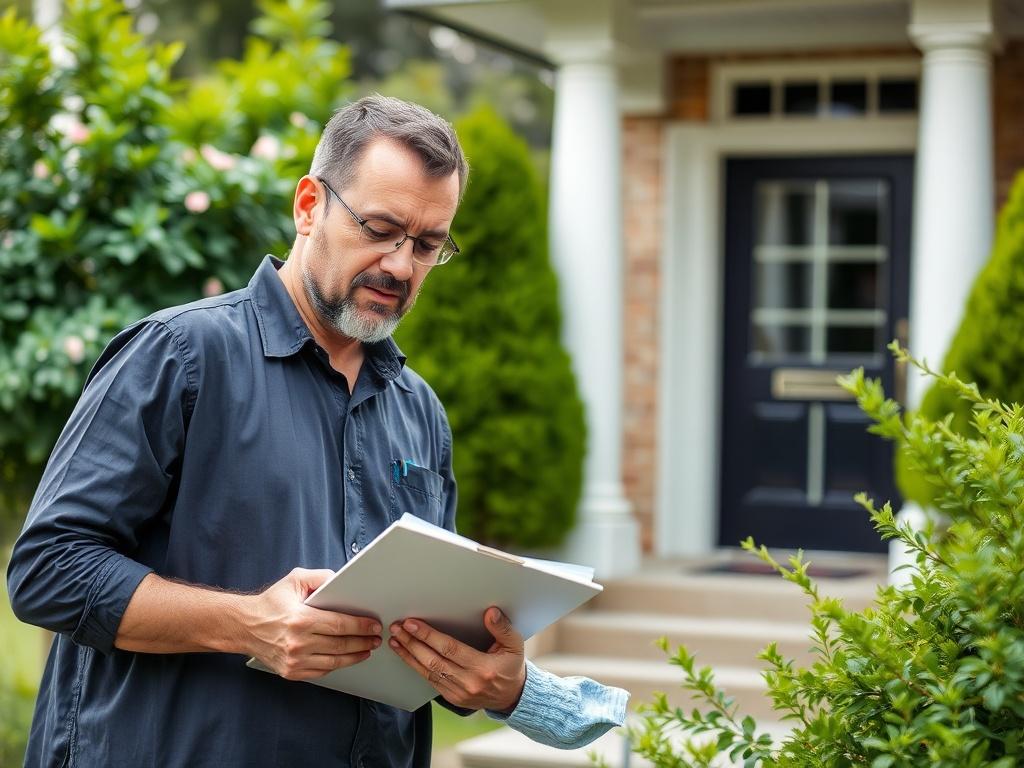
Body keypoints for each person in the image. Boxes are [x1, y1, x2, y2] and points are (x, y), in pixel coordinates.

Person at [7, 95, 627, 767]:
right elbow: (47, 571)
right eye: (380, 228)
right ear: (308, 206)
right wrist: (249, 624)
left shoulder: (420, 413)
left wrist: (494, 685)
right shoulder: (179, 356)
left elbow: (418, 633)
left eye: (426, 245)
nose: (400, 265)